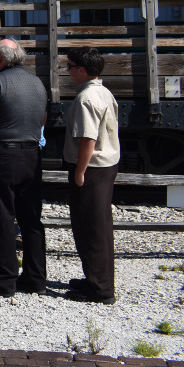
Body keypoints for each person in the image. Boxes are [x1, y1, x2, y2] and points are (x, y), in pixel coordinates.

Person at [0, 39, 48, 297]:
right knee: (31, 219)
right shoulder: (37, 83)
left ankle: (4, 280)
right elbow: (43, 118)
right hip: (32, 154)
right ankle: (36, 279)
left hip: (3, 154)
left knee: (2, 217)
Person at [63, 46, 120, 305]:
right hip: (106, 165)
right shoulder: (103, 92)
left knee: (90, 227)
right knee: (99, 225)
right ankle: (96, 279)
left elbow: (88, 138)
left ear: (82, 70)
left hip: (93, 167)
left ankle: (100, 288)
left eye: (70, 66)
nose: (68, 71)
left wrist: (80, 171)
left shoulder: (86, 98)